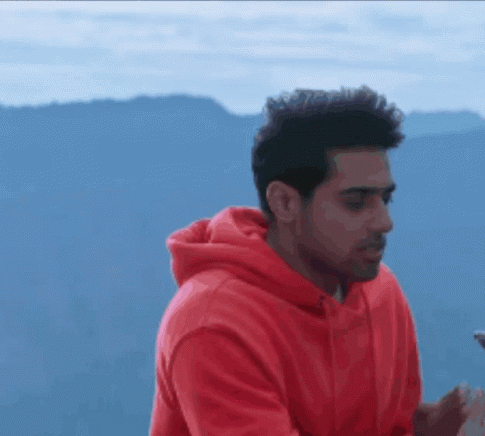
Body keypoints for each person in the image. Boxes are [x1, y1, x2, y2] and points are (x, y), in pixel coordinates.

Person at [149, 86, 473, 436]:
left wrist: (436, 428)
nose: (384, 222)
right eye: (356, 202)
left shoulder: (381, 292)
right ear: (285, 202)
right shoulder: (214, 326)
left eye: (385, 199)